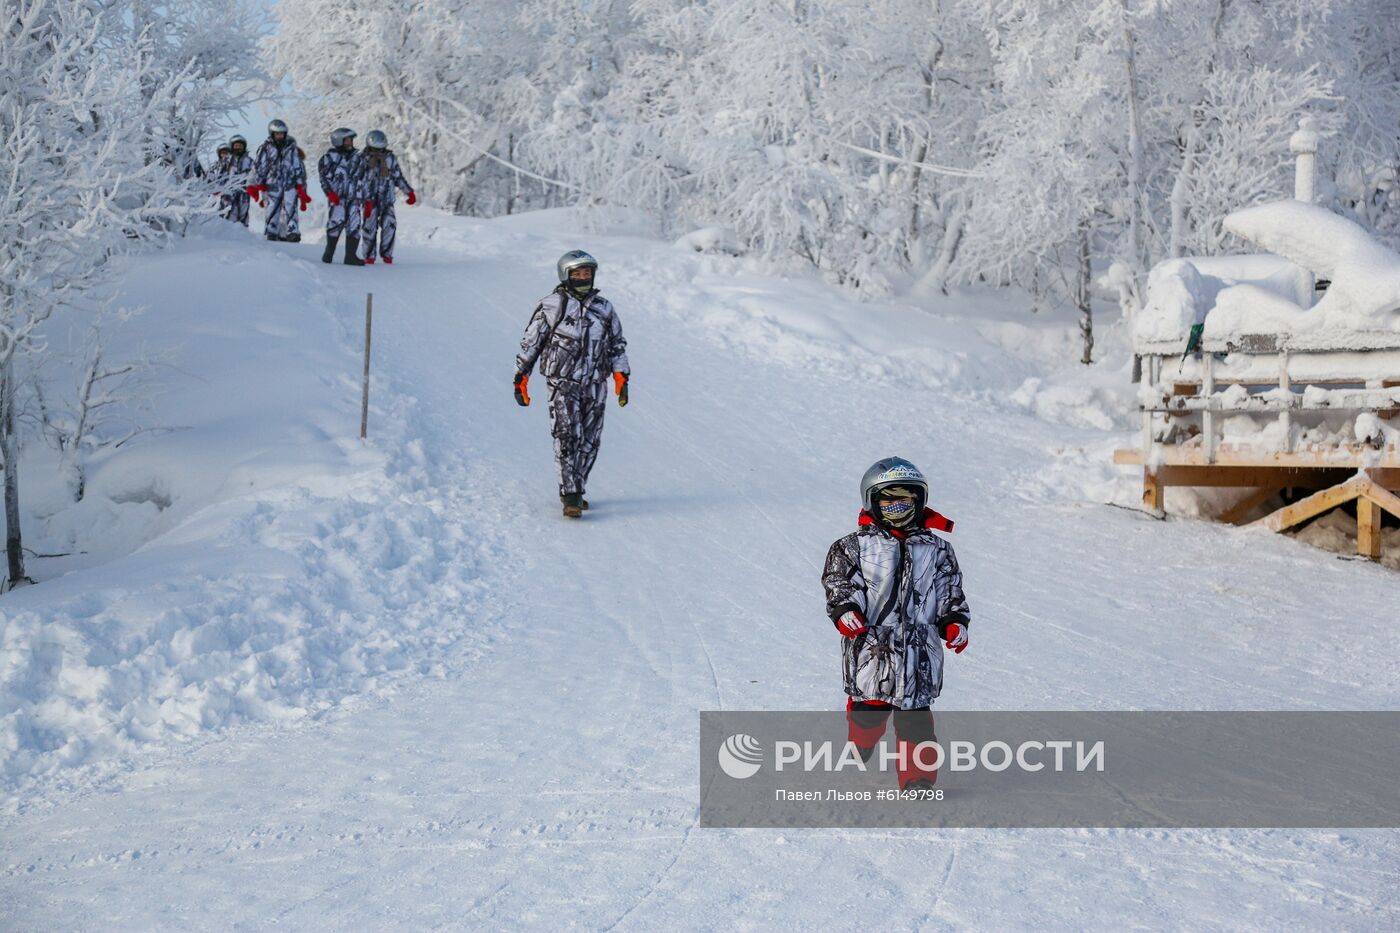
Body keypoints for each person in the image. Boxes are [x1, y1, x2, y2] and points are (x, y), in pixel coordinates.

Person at [820, 457, 971, 791]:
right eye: (888, 501)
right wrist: (846, 610)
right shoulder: (851, 547)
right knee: (870, 710)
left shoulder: (938, 549)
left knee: (916, 717)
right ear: (872, 502)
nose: (898, 508)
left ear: (920, 502)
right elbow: (838, 582)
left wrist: (954, 621)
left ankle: (918, 778)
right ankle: (862, 739)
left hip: (920, 650)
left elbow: (950, 589)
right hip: (872, 647)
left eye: (907, 500)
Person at [513, 251, 630, 518]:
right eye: (577, 274)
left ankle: (577, 487)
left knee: (590, 440)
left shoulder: (604, 308)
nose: (582, 278)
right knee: (567, 436)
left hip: (595, 382)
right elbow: (532, 343)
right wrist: (521, 376)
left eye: (587, 273)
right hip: (562, 381)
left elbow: (617, 345)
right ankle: (572, 493)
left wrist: (621, 375)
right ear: (565, 276)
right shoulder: (551, 306)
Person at [354, 130, 417, 264]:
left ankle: (387, 254)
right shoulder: (362, 158)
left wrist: (409, 192)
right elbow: (357, 180)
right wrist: (362, 199)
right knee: (369, 227)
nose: (380, 147)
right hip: (369, 200)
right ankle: (369, 255)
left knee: (390, 224)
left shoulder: (390, 158)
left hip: (386, 199)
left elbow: (398, 177)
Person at [248, 119, 311, 242]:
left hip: (289, 183)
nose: (280, 136)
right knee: (272, 208)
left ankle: (292, 231)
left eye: (282, 133)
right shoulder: (265, 148)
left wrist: (300, 185)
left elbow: (298, 166)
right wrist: (259, 183)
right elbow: (260, 166)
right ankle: (271, 231)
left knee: (291, 207)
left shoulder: (291, 149)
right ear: (272, 134)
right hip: (272, 183)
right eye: (277, 134)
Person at [318, 127, 364, 265]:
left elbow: (364, 178)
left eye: (351, 139)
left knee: (354, 225)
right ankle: (329, 252)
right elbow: (323, 178)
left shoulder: (358, 158)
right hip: (338, 198)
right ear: (338, 140)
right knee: (335, 223)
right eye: (347, 139)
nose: (350, 142)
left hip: (354, 198)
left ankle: (351, 256)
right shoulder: (328, 158)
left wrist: (365, 198)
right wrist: (330, 193)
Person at [226, 136, 254, 227]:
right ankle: (228, 228)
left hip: (244, 191)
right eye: (236, 146)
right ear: (232, 147)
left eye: (240, 146)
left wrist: (252, 185)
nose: (238, 148)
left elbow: (254, 173)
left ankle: (243, 230)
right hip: (230, 191)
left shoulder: (249, 160)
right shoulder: (227, 160)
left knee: (244, 211)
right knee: (230, 210)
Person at [212, 144, 233, 220]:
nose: (224, 155)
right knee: (215, 213)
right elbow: (210, 178)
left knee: (227, 213)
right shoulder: (215, 165)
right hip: (216, 193)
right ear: (219, 154)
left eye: (226, 153)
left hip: (227, 194)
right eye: (222, 153)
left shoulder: (232, 166)